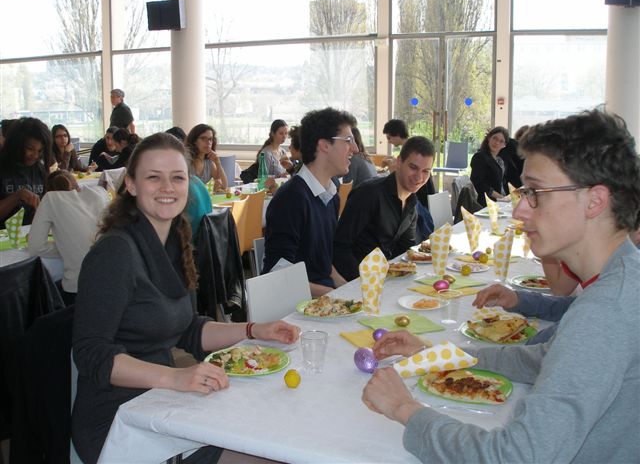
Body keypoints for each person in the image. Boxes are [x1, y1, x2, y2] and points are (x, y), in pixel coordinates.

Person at [361, 109, 640, 463]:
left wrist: (404, 409)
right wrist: (432, 354)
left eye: (536, 192)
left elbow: (513, 457)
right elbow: (541, 359)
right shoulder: (621, 280)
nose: (521, 210)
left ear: (596, 200)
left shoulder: (605, 313)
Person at [71, 132, 300, 464]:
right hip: (119, 421)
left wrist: (255, 330)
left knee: (273, 438)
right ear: (132, 185)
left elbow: (189, 329)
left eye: (177, 177)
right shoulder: (115, 253)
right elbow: (91, 354)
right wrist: (175, 377)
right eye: (154, 177)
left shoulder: (174, 242)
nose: (168, 187)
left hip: (164, 401)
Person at [263, 107, 357, 297]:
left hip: (321, 299)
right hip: (294, 309)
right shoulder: (291, 199)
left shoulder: (330, 195)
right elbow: (278, 274)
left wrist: (346, 287)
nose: (355, 148)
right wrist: (334, 295)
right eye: (348, 141)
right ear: (324, 145)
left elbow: (323, 261)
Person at [334, 136, 435, 281]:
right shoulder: (368, 194)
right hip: (358, 280)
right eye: (413, 167)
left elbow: (405, 253)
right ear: (399, 162)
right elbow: (339, 247)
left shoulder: (412, 202)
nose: (419, 177)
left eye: (426, 171)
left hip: (386, 278)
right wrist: (364, 281)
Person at [27, 170, 109, 306]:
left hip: (79, 287)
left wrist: (67, 246)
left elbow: (35, 247)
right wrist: (72, 244)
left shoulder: (50, 199)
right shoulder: (101, 192)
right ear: (76, 184)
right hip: (117, 278)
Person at [0, 117, 52, 228]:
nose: (35, 155)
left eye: (40, 150)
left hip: (30, 234)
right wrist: (17, 196)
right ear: (16, 145)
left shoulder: (39, 168)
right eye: (30, 148)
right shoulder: (3, 168)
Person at [470, 126, 511, 206]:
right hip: (486, 202)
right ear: (489, 138)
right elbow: (478, 183)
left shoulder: (500, 160)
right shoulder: (480, 157)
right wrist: (501, 198)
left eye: (501, 141)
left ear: (504, 145)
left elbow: (502, 182)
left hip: (501, 200)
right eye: (494, 138)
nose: (496, 143)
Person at [184, 124, 228, 190]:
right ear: (194, 141)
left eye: (210, 139)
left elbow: (224, 186)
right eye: (203, 138)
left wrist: (217, 163)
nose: (208, 142)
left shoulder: (209, 163)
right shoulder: (186, 161)